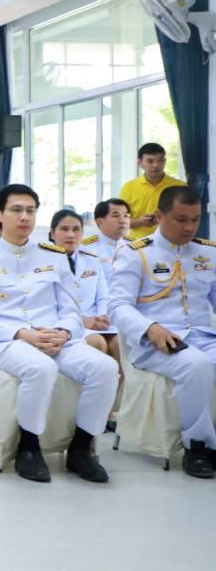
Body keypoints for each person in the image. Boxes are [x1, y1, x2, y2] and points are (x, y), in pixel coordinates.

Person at [0, 184, 115, 483]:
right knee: (41, 368)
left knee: (106, 368)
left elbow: (72, 309)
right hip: (8, 341)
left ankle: (81, 449)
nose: (25, 217)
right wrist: (24, 335)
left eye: (30, 211)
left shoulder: (54, 255)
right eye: (16, 210)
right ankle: (28, 448)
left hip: (57, 337)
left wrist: (63, 331)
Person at [107, 186, 215, 477]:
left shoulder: (207, 252)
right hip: (155, 344)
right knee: (197, 365)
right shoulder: (135, 253)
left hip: (204, 336)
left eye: (195, 219)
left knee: (202, 358)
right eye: (181, 219)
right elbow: (117, 306)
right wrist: (149, 327)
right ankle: (198, 447)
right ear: (158, 216)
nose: (189, 227)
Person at [49, 209, 116, 359]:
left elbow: (103, 296)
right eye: (64, 229)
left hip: (96, 323)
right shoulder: (43, 263)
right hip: (64, 325)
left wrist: (102, 316)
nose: (71, 235)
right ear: (53, 233)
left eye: (76, 229)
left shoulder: (91, 259)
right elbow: (47, 305)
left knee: (119, 344)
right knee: (97, 343)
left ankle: (116, 383)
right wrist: (82, 321)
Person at [121, 142, 185, 241]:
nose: (156, 165)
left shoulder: (180, 186)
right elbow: (120, 222)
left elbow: (188, 218)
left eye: (160, 161)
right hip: (137, 244)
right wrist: (140, 221)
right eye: (150, 161)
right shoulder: (129, 187)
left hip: (171, 243)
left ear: (165, 161)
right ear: (140, 163)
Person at [84, 197, 131, 266]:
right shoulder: (87, 248)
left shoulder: (134, 245)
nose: (123, 221)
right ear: (100, 222)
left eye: (126, 215)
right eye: (116, 216)